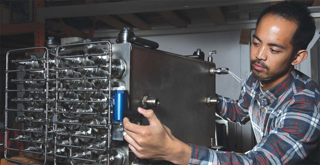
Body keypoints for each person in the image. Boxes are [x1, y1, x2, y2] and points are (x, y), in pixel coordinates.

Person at [123, 2, 320, 164]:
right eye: (256, 42)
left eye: (274, 50)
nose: (259, 56)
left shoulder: (305, 103)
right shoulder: (256, 78)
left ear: (297, 57)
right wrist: (201, 96)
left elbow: (261, 162)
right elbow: (240, 111)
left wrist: (173, 151)